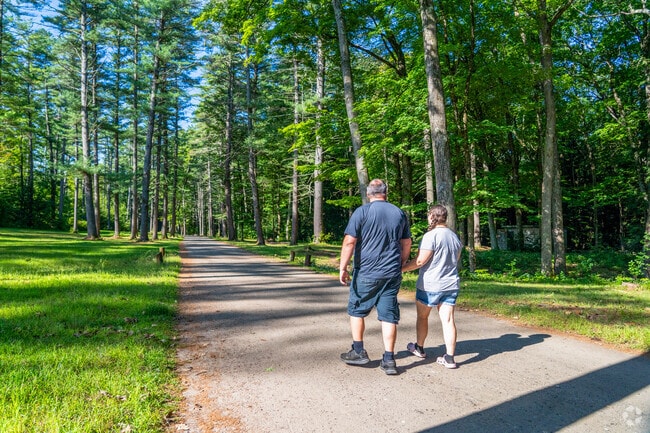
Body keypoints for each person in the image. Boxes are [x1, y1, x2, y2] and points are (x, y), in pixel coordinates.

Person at [339, 179, 412, 375]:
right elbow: (406, 243)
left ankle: (358, 351)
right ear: (385, 193)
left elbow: (349, 242)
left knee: (357, 310)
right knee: (389, 315)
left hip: (366, 271)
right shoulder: (399, 213)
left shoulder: (362, 212)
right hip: (391, 273)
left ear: (369, 193)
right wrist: (401, 263)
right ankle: (389, 359)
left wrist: (343, 267)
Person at [402, 204, 462, 369]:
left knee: (422, 317)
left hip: (430, 284)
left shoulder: (431, 236)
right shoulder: (454, 236)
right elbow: (456, 259)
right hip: (450, 284)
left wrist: (402, 268)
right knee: (448, 320)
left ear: (432, 217)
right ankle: (449, 358)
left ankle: (419, 348)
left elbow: (421, 261)